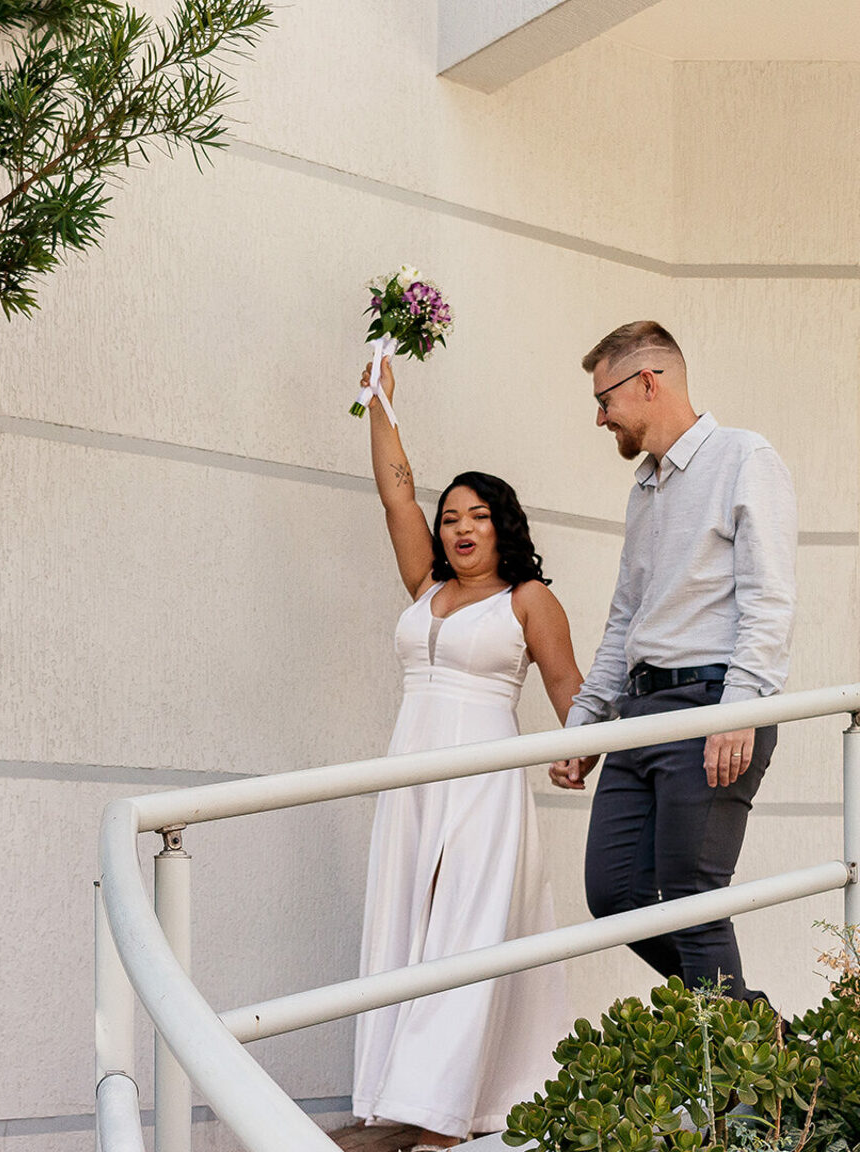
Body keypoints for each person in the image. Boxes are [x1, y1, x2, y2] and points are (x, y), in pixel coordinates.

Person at [351, 355, 581, 1149]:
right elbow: (393, 492)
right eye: (451, 516)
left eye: (476, 515)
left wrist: (576, 751)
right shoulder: (425, 589)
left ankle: (445, 1118)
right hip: (410, 777)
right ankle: (397, 1101)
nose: (458, 527)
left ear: (502, 524)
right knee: (406, 927)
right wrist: (381, 389)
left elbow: (568, 687)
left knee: (466, 935)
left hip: (483, 785)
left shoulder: (528, 600)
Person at [550, 320, 797, 1004]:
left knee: (691, 895)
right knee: (616, 895)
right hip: (638, 715)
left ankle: (746, 1101)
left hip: (711, 707)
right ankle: (751, 1023)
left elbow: (770, 598)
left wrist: (741, 709)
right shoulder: (646, 488)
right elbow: (625, 617)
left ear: (648, 382)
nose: (601, 418)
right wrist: (585, 724)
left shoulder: (745, 458)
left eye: (605, 400)